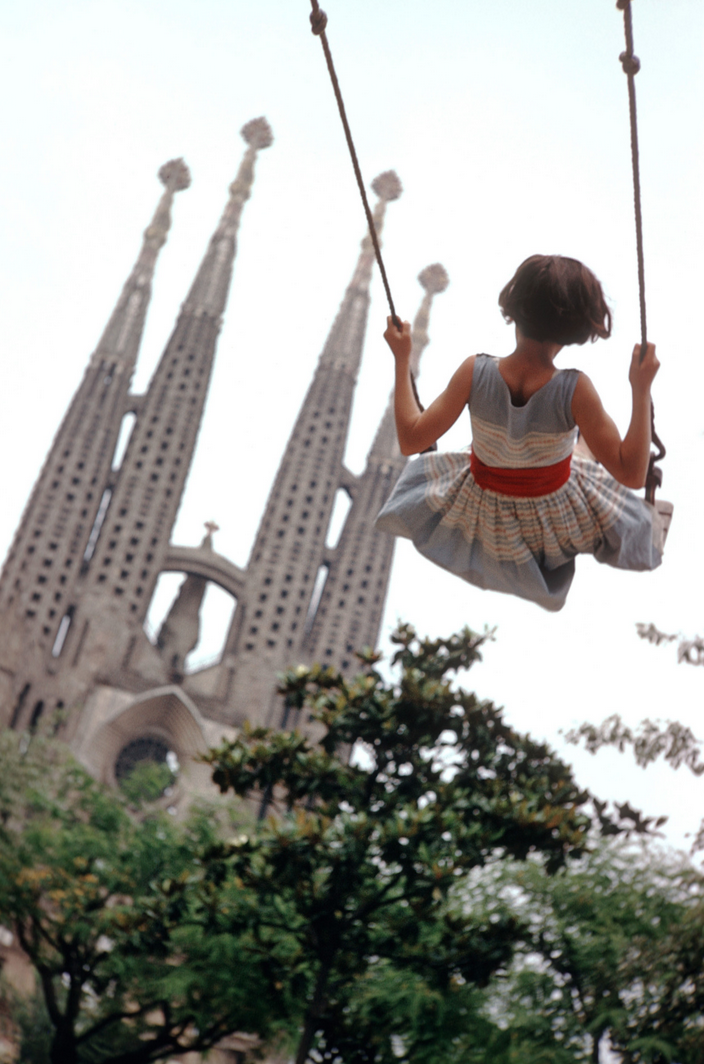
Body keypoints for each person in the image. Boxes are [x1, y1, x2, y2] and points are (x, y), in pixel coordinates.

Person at [375, 254, 669, 612]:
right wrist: (641, 389)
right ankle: (579, 450)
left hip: (481, 508)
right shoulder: (576, 390)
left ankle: (566, 450)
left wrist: (402, 358)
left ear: (514, 308)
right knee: (585, 449)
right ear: (577, 329)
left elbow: (410, 439)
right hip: (550, 518)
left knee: (531, 443)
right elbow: (632, 474)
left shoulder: (475, 372)